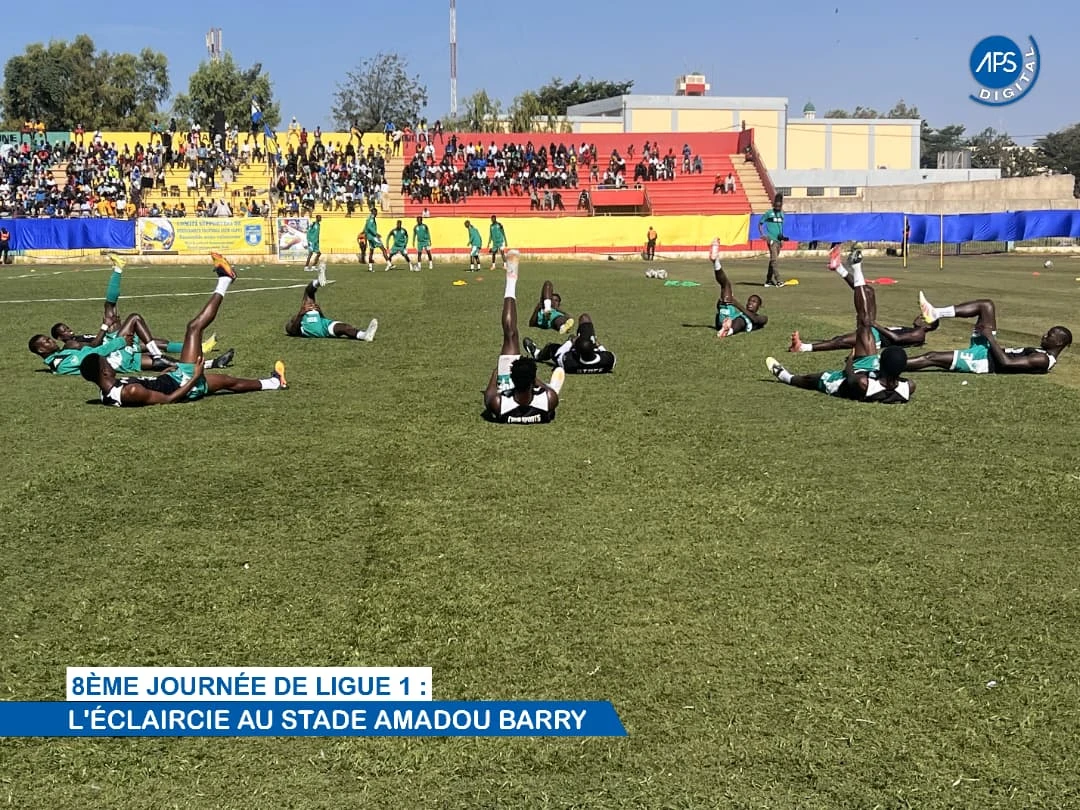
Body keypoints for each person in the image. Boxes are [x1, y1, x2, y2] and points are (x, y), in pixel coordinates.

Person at [80, 254, 288, 406]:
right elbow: (168, 399)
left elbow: (150, 385)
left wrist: (165, 372)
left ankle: (274, 382)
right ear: (104, 371)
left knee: (229, 382)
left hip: (175, 377)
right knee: (194, 327)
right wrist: (195, 376)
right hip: (184, 382)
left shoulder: (106, 392)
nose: (110, 362)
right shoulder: (130, 391)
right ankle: (225, 279)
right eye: (106, 362)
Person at [765, 251, 915, 404]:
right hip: (872, 370)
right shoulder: (908, 386)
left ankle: (787, 377)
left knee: (812, 379)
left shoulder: (864, 385)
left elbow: (850, 376)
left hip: (846, 380)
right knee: (865, 323)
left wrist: (850, 360)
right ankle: (856, 267)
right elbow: (895, 383)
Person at [789, 245, 938, 353]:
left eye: (923, 317)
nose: (919, 316)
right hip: (874, 331)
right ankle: (839, 268)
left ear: (929, 326)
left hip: (874, 340)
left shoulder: (920, 334)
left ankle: (803, 348)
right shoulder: (914, 330)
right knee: (868, 290)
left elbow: (896, 340)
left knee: (841, 341)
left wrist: (875, 324)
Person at [482, 251, 563, 424]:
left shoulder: (499, 403)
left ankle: (511, 281)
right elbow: (549, 402)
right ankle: (552, 386)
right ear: (534, 381)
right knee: (510, 334)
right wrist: (542, 386)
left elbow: (489, 395)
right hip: (516, 384)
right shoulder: (549, 399)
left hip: (505, 387)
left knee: (510, 334)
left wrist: (495, 373)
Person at [905, 293, 1072, 374]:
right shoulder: (1042, 353)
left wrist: (990, 337)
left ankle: (886, 366)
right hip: (989, 350)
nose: (1044, 335)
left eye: (1049, 335)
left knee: (932, 357)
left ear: (1058, 343)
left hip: (984, 361)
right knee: (986, 305)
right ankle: (937, 313)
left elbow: (1007, 364)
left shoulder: (1042, 359)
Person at [284, 265, 378, 342]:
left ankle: (365, 335)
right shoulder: (298, 322)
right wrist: (300, 314)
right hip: (316, 329)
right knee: (308, 294)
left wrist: (320, 312)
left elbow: (321, 320)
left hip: (324, 325)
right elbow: (292, 330)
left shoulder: (305, 311)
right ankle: (317, 282)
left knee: (344, 328)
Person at [522, 314, 616, 374]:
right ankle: (585, 344)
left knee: (551, 347)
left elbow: (558, 354)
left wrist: (570, 341)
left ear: (575, 350)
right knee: (585, 318)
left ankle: (537, 354)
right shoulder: (609, 360)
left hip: (584, 350)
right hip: (588, 350)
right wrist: (598, 345)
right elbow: (605, 353)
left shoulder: (569, 362)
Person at [712, 246, 767, 338]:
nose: (750, 303)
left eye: (754, 302)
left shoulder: (763, 318)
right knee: (726, 285)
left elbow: (755, 320)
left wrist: (736, 304)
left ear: (759, 306)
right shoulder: (737, 313)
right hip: (726, 319)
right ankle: (715, 261)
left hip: (737, 323)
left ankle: (727, 331)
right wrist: (721, 304)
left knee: (741, 320)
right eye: (749, 300)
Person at [757, 193, 786, 287]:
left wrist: (782, 239)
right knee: (774, 260)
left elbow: (781, 227)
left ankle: (768, 280)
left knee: (773, 261)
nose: (778, 207)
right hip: (771, 240)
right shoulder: (769, 213)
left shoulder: (782, 214)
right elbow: (760, 224)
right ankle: (778, 280)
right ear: (774, 204)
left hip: (779, 241)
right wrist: (763, 235)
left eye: (779, 206)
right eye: (776, 205)